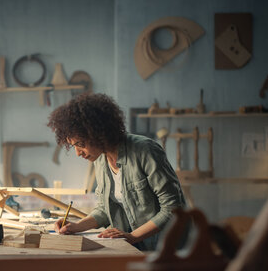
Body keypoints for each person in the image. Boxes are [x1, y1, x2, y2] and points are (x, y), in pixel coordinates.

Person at [47, 93, 185, 251]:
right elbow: (105, 209)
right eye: (74, 146)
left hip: (166, 248)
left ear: (97, 133)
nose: (78, 153)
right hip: (134, 246)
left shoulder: (146, 150)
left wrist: (132, 236)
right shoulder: (100, 159)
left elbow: (173, 208)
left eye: (80, 144)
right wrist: (77, 226)